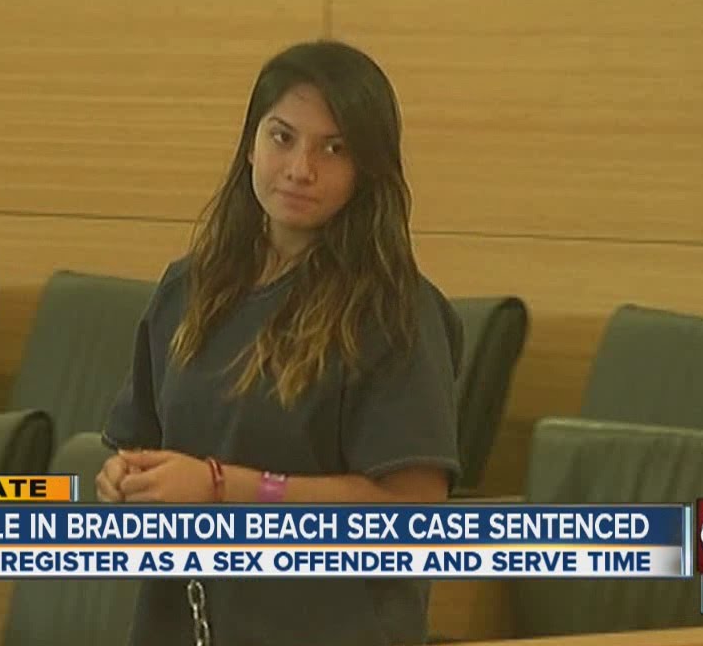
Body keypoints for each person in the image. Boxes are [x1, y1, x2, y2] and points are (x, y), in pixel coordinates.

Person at [97, 39, 463, 646]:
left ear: (367, 170)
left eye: (333, 148)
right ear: (251, 144)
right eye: (282, 137)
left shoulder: (395, 311)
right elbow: (145, 442)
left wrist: (224, 489)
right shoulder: (188, 288)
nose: (300, 168)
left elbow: (411, 514)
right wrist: (127, 477)